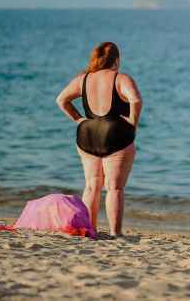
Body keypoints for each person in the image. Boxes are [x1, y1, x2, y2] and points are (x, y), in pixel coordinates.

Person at [56, 42, 142, 238]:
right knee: (114, 187)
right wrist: (132, 123)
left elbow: (61, 100)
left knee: (92, 185)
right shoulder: (121, 78)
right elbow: (136, 100)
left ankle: (89, 229)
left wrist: (78, 119)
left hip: (88, 133)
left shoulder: (82, 80)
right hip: (115, 133)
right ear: (117, 60)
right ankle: (115, 233)